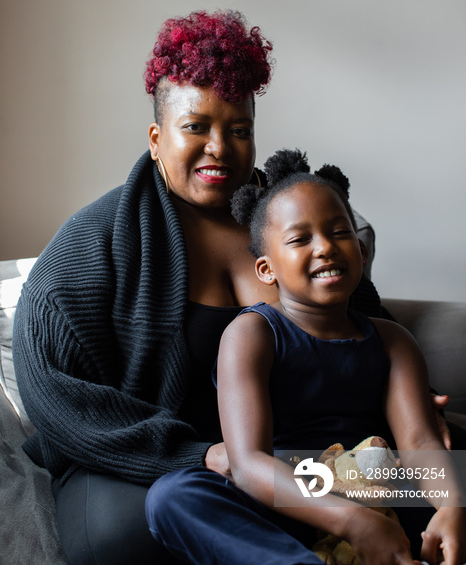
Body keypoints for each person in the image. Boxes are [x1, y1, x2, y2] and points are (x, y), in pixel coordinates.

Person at [12, 10, 449, 565]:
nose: (219, 147)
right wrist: (198, 455)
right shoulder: (90, 248)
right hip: (153, 467)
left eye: (238, 130)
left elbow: (362, 320)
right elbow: (56, 396)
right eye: (195, 127)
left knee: (448, 485)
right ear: (156, 137)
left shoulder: (290, 217)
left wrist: (414, 410)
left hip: (303, 462)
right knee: (139, 531)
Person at [146, 149, 466, 565]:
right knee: (172, 497)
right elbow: (248, 463)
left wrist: (451, 507)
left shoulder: (392, 340)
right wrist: (349, 520)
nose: (326, 248)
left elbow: (420, 441)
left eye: (340, 233)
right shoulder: (251, 334)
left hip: (376, 487)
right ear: (266, 269)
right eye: (300, 239)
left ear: (362, 252)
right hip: (288, 496)